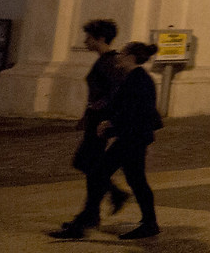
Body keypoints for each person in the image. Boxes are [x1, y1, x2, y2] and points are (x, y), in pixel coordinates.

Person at [53, 20, 130, 237]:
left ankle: (97, 209)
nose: (85, 41)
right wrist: (87, 114)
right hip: (95, 120)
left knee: (87, 164)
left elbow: (114, 92)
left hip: (101, 124)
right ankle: (95, 211)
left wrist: (102, 109)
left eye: (89, 38)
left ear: (101, 39)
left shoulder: (108, 63)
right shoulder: (105, 61)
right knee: (91, 166)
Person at [103, 42, 165, 240]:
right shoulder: (135, 78)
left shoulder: (139, 80)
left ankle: (147, 221)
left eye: (122, 53)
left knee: (100, 171)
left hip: (133, 137)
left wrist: (111, 127)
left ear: (130, 57)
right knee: (136, 180)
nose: (118, 56)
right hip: (133, 136)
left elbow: (135, 113)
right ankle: (149, 221)